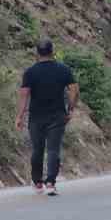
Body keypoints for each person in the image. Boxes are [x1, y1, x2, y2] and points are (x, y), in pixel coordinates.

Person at [15, 39, 79, 196]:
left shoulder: (30, 72)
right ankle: (50, 182)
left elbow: (24, 95)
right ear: (52, 51)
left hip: (36, 117)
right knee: (53, 149)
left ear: (37, 53)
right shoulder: (63, 69)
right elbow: (74, 90)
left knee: (37, 149)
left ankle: (37, 183)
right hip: (57, 115)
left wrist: (19, 116)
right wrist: (70, 108)